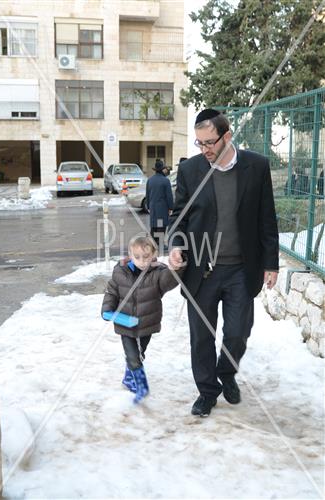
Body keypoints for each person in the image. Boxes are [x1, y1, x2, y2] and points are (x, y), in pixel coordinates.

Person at [168, 108, 279, 417]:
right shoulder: (190, 170)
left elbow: (266, 218)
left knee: (238, 332)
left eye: (209, 143)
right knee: (201, 336)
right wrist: (176, 245)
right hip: (201, 272)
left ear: (227, 136)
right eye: (199, 143)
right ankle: (207, 391)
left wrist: (271, 262)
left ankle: (226, 372)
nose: (204, 150)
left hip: (242, 270)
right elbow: (178, 215)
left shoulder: (256, 167)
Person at [101, 234, 181, 403]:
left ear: (153, 254)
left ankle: (128, 378)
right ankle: (141, 385)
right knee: (133, 356)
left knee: (139, 354)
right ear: (130, 254)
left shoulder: (158, 273)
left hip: (146, 323)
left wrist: (175, 268)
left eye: (146, 257)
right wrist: (107, 308)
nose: (142, 261)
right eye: (137, 257)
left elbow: (169, 281)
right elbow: (112, 291)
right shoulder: (121, 271)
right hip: (124, 322)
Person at [146, 159, 174, 251]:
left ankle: (153, 244)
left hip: (153, 207)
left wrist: (149, 206)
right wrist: (171, 207)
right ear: (162, 169)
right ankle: (161, 245)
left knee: (154, 226)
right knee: (161, 226)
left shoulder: (150, 180)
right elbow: (169, 196)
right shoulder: (165, 181)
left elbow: (148, 194)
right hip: (162, 207)